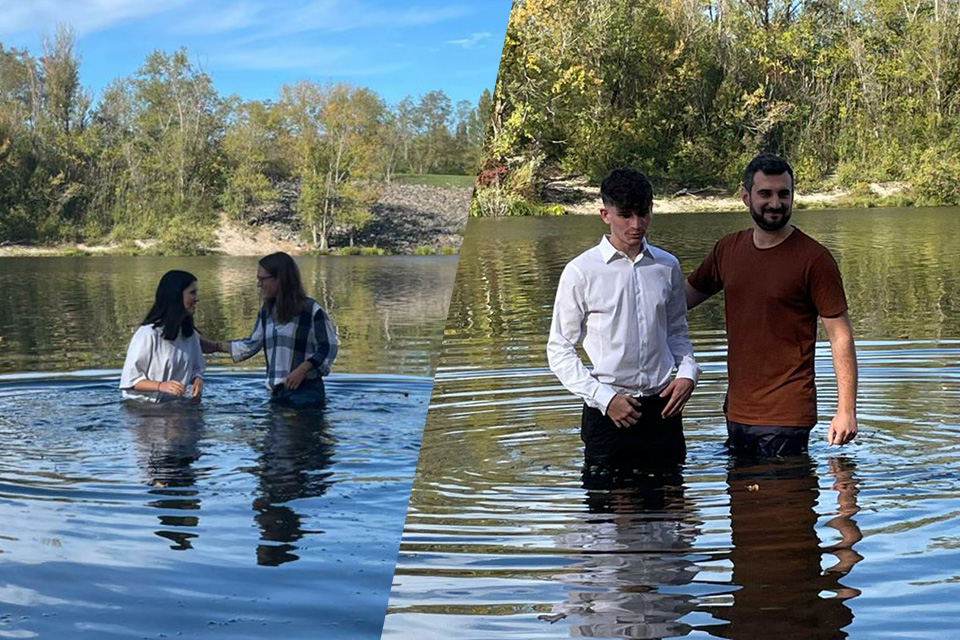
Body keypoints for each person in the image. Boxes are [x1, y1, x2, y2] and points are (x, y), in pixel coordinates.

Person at [685, 153, 858, 456]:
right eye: (765, 193)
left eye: (783, 194)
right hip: (737, 411)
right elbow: (680, 300)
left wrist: (846, 410)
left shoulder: (814, 259)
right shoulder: (728, 249)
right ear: (745, 196)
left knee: (784, 502)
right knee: (742, 502)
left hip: (787, 414)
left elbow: (840, 336)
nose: (775, 203)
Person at [547, 168, 699, 469]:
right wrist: (603, 397)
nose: (636, 224)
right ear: (605, 214)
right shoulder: (581, 272)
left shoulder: (667, 266)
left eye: (643, 213)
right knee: (605, 514)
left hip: (663, 408)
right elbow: (559, 348)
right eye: (625, 215)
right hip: (607, 410)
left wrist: (688, 372)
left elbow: (677, 332)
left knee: (670, 512)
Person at [204, 252, 338, 407]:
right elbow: (251, 344)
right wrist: (214, 346)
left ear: (280, 279)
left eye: (262, 279)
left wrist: (302, 369)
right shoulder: (267, 312)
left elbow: (328, 346)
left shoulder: (311, 310)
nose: (259, 285)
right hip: (278, 392)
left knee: (292, 428)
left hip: (307, 393)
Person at [120, 270, 205, 403]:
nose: (197, 298)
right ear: (176, 295)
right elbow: (130, 380)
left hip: (175, 405)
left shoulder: (190, 335)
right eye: (192, 293)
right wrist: (161, 386)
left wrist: (197, 380)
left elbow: (196, 368)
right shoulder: (148, 334)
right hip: (140, 408)